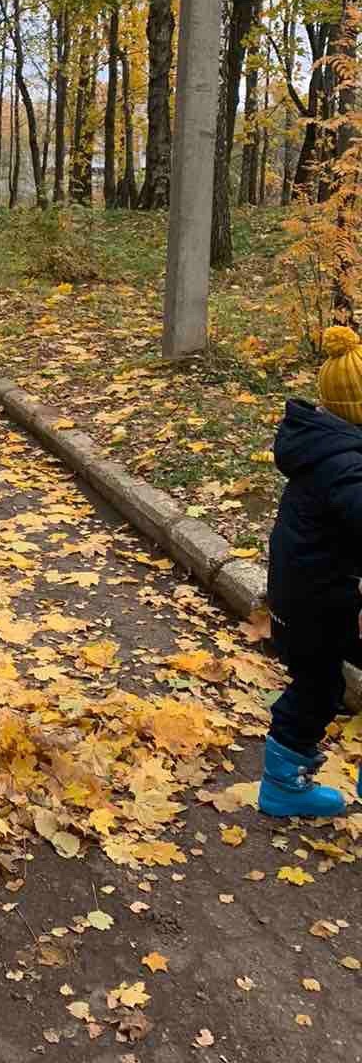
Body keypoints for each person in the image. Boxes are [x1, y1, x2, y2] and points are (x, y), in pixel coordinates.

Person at [258, 324, 362, 818]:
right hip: (319, 603)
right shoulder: (346, 468)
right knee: (317, 690)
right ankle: (282, 786)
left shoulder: (327, 449)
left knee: (318, 688)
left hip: (308, 595)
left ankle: (283, 781)